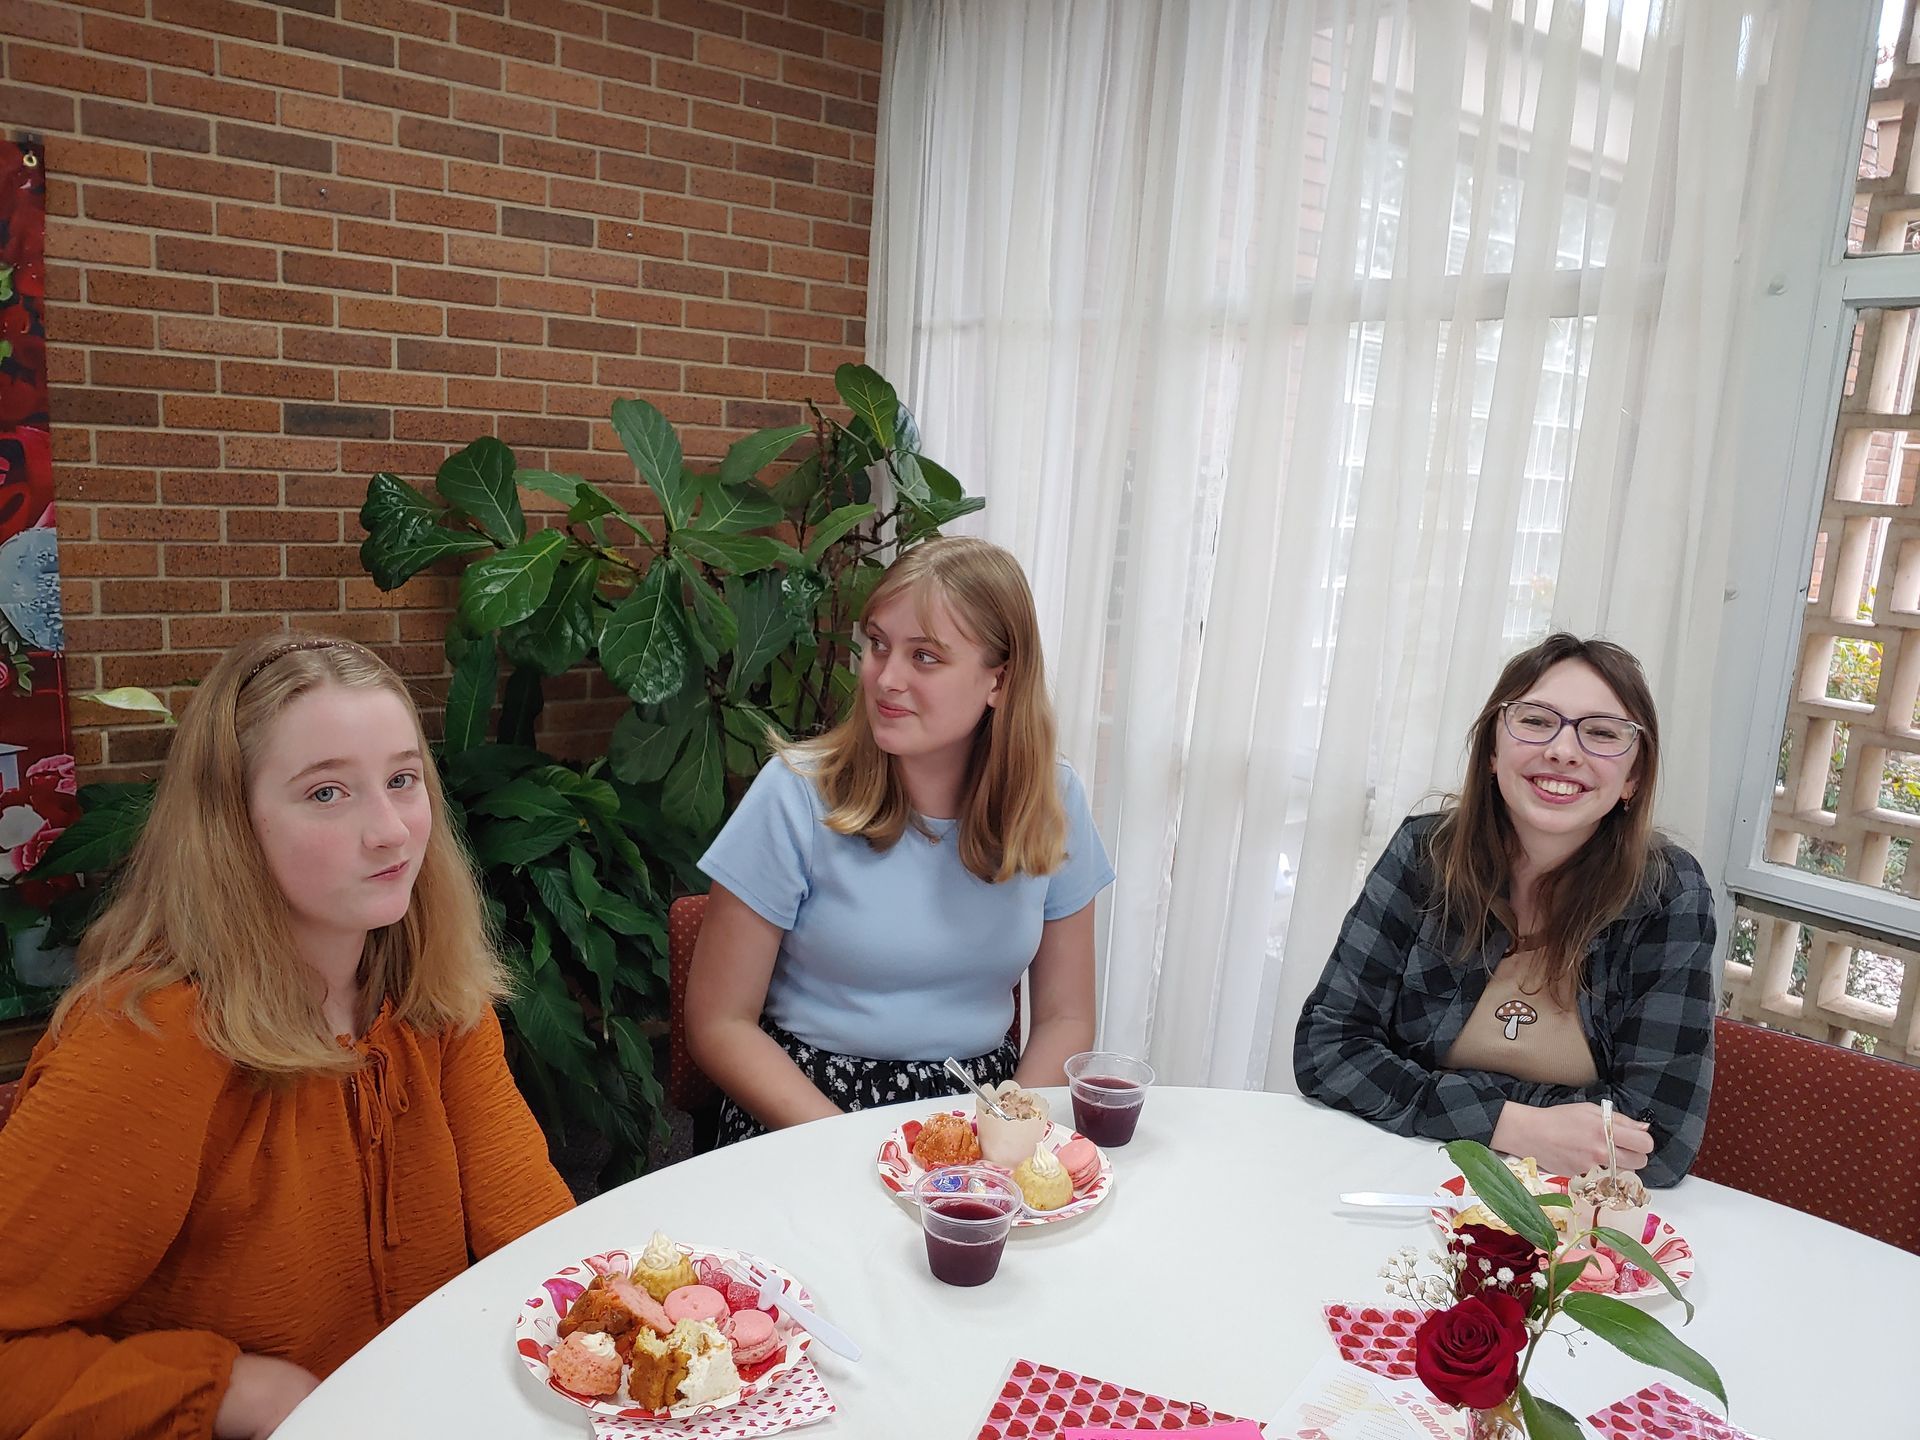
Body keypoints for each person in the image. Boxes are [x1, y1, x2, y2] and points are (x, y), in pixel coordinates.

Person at [0, 635, 574, 1440]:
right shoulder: (147, 1042)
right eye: (328, 793)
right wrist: (233, 1391)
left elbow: (534, 1234)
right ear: (232, 826)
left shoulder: (432, 994)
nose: (391, 831)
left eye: (403, 780)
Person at [686, 537, 1114, 1144]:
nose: (886, 679)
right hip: (810, 1111)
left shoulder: (1052, 798)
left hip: (982, 1107)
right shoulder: (794, 794)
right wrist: (860, 1151)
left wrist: (1008, 1129)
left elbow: (1066, 1017)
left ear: (1000, 679)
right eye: (878, 646)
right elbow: (719, 1023)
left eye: (925, 657)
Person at [1293, 633, 1715, 1187]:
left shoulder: (1669, 892)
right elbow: (1326, 1049)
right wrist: (1516, 1124)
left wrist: (1424, 1088)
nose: (1564, 751)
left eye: (1603, 733)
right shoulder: (1427, 854)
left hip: (1563, 1214)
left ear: (1633, 779)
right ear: (1493, 752)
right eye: (1536, 721)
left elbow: (1661, 1141)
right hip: (1394, 1175)